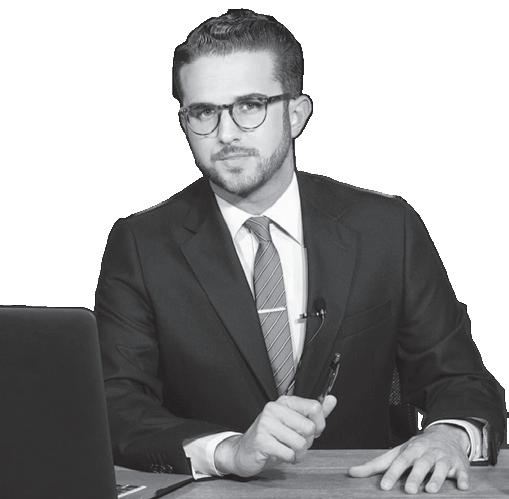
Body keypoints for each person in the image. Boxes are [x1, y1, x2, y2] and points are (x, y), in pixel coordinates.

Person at [95, 9, 506, 494]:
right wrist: (229, 450)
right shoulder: (140, 245)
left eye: (250, 105)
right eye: (204, 112)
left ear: (296, 113)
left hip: (369, 489)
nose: (225, 133)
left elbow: (462, 380)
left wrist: (448, 436)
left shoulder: (386, 229)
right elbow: (116, 407)